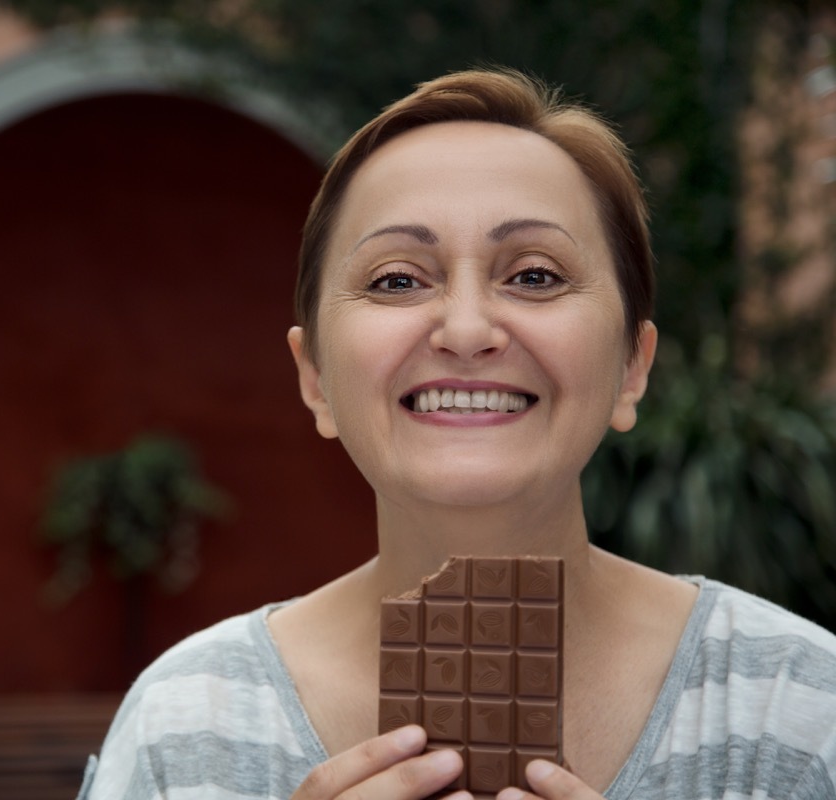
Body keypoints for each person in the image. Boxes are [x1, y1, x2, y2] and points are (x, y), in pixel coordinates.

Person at [76, 68, 836, 799]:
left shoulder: (799, 704)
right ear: (316, 380)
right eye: (398, 279)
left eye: (534, 275)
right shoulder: (186, 725)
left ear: (631, 368)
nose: (467, 330)